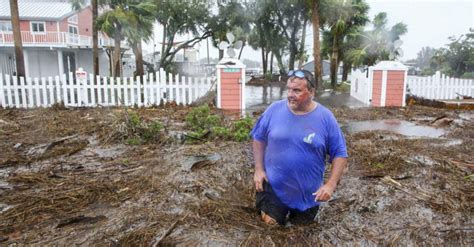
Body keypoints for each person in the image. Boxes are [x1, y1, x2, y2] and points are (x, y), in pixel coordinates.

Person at [250, 69, 348, 225]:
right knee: (270, 225)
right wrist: (259, 169)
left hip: (308, 193)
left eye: (296, 90)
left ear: (311, 92)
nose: (290, 94)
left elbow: (340, 153)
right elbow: (258, 138)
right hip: (274, 186)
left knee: (301, 231)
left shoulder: (325, 118)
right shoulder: (274, 110)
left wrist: (330, 185)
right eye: (288, 89)